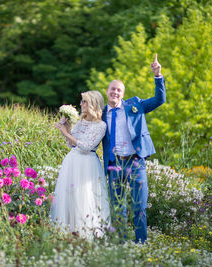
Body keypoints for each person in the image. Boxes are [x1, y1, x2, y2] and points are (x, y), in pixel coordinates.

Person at [102, 54, 166, 244]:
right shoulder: (101, 113)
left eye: (119, 90)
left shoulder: (135, 105)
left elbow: (159, 99)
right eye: (113, 89)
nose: (115, 92)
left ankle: (140, 244)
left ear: (123, 93)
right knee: (117, 207)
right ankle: (121, 244)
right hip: (115, 164)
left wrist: (158, 75)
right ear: (107, 91)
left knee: (139, 206)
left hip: (135, 161)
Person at [50, 91, 110, 238]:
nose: (81, 104)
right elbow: (71, 144)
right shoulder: (80, 122)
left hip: (87, 163)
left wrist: (66, 133)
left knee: (84, 195)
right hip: (72, 161)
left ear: (93, 104)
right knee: (69, 195)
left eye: (84, 101)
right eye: (82, 101)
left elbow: (87, 146)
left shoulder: (101, 126)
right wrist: (68, 127)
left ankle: (85, 233)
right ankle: (67, 231)